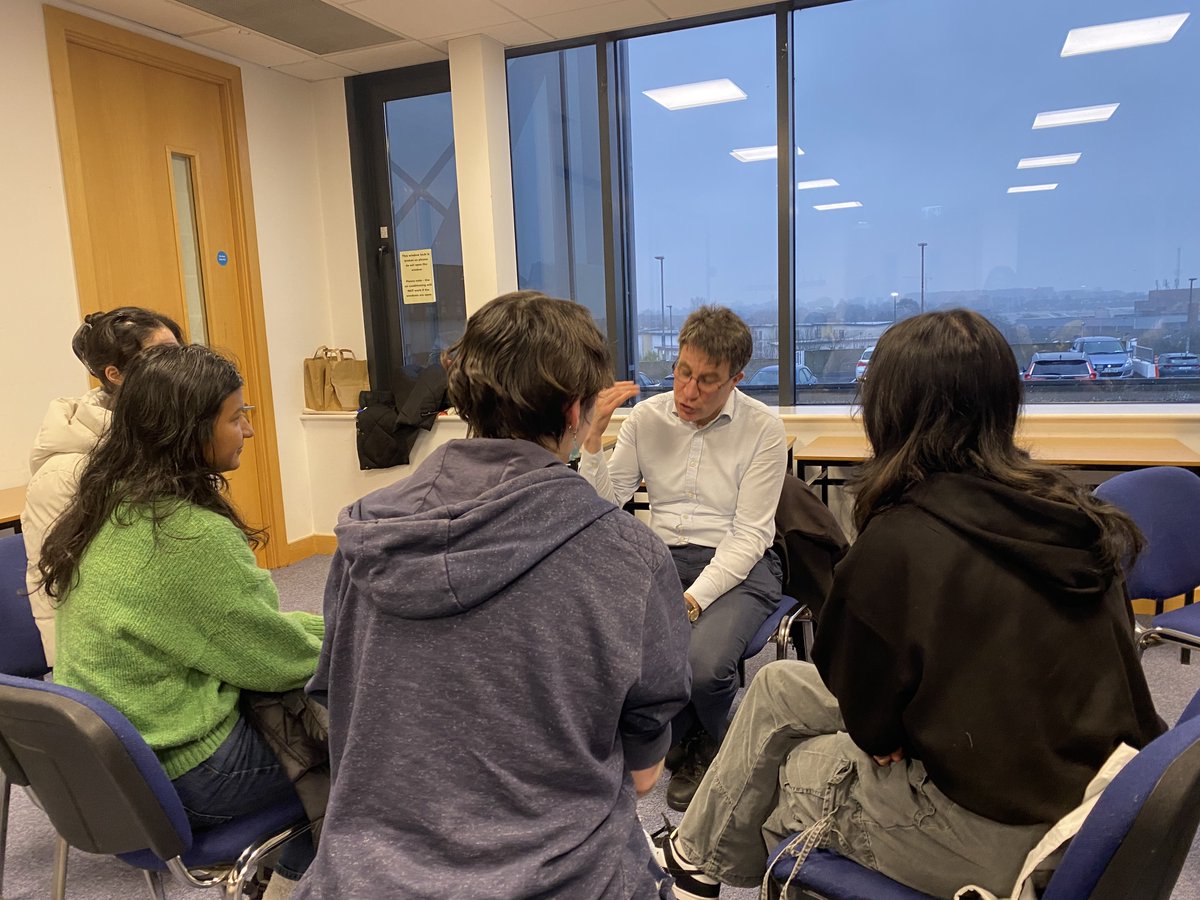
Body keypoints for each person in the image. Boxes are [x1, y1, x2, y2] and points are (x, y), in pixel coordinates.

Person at [656, 309, 1164, 899]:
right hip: (1096, 802)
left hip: (1000, 836)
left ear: (889, 412)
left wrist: (889, 729)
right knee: (775, 686)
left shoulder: (900, 541)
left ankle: (701, 866)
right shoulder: (1072, 515)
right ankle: (692, 862)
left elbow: (875, 730)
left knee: (788, 773)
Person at [295, 291, 691, 899]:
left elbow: (336, 700)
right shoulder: (628, 555)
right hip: (562, 880)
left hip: (363, 877)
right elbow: (644, 772)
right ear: (576, 410)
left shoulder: (365, 534)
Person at [37, 344, 324, 899]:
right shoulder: (188, 535)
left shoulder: (109, 504)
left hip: (115, 772)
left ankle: (299, 874)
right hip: (188, 774)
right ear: (189, 432)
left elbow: (232, 629)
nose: (248, 430)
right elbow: (275, 659)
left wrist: (315, 627)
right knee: (370, 726)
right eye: (236, 417)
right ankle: (314, 881)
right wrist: (351, 635)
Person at [579, 305, 787, 811]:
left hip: (740, 565)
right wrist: (591, 441)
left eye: (707, 381)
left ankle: (707, 742)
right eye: (682, 372)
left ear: (736, 380)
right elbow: (603, 507)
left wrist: (690, 601)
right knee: (610, 645)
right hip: (662, 559)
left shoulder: (763, 428)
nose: (688, 391)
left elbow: (749, 536)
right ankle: (687, 733)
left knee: (702, 665)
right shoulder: (647, 418)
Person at [22, 306, 182, 665]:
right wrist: (73, 680)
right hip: (108, 658)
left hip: (170, 630)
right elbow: (55, 586)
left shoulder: (166, 440)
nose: (178, 366)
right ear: (115, 374)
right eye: (162, 355)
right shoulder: (64, 473)